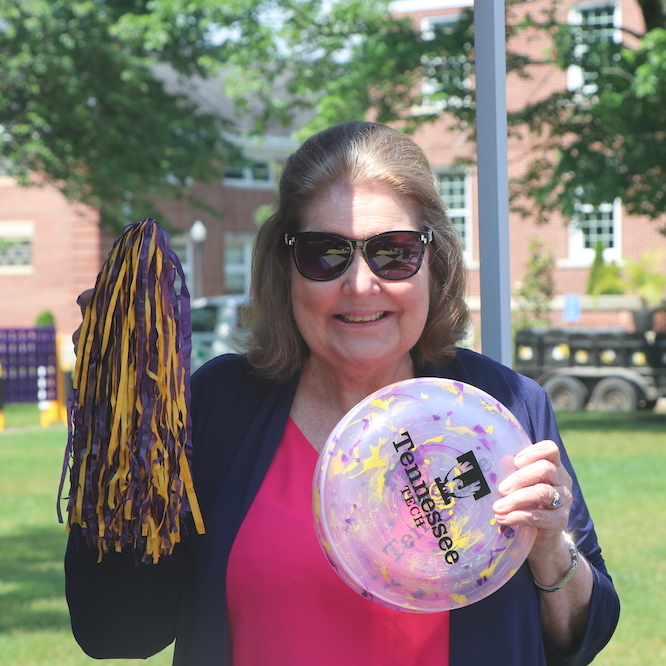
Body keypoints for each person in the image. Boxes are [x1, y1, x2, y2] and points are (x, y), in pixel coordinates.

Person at [65, 121, 619, 665]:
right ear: (285, 270)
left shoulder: (504, 408)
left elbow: (581, 636)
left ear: (435, 263)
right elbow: (118, 630)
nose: (359, 284)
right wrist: (118, 417)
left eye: (395, 252)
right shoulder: (222, 404)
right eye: (324, 253)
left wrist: (548, 550)